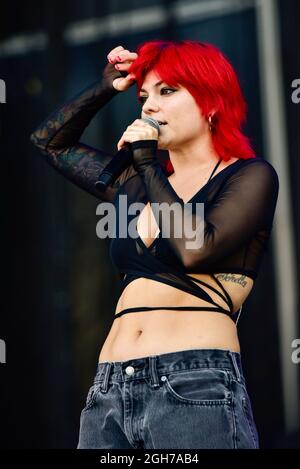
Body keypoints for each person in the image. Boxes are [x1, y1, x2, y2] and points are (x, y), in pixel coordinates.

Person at [30, 40, 279, 449]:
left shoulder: (249, 177)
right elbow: (49, 142)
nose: (148, 107)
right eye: (144, 96)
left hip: (193, 381)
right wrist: (108, 87)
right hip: (109, 388)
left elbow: (195, 248)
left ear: (212, 103)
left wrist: (145, 160)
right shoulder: (134, 187)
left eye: (167, 91)